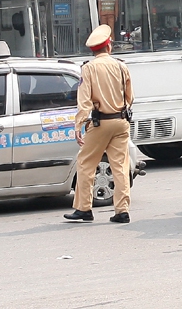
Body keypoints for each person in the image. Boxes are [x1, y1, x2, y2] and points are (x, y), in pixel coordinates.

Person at [64, 24, 134, 223]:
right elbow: (130, 97)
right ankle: (122, 211)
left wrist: (78, 125)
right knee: (120, 166)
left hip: (100, 122)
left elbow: (84, 101)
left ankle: (84, 208)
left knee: (86, 163)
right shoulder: (121, 66)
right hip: (121, 122)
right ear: (109, 46)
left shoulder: (89, 68)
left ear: (93, 50)